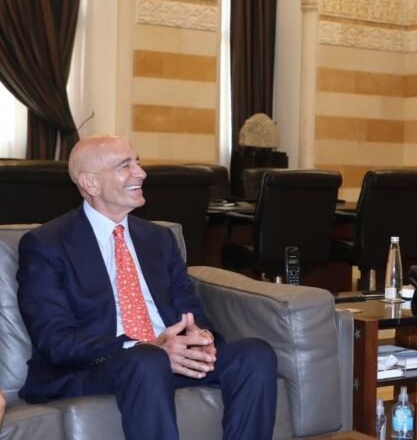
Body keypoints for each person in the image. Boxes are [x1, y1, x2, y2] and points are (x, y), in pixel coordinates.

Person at [16, 135, 278, 440]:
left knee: (255, 354)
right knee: (148, 359)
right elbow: (55, 340)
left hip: (168, 358)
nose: (141, 173)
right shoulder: (47, 244)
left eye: (138, 162)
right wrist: (148, 347)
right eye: (125, 166)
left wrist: (199, 337)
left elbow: (190, 311)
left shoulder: (159, 238)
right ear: (90, 183)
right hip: (96, 367)